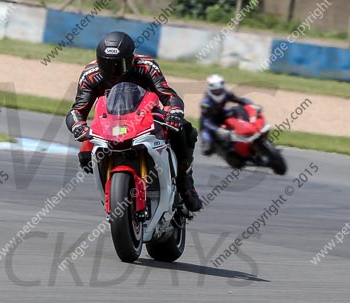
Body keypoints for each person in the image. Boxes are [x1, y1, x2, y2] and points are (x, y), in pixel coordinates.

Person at [65, 31, 203, 212]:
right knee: (85, 155)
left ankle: (185, 181)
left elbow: (168, 96)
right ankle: (111, 195)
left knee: (185, 130)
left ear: (131, 59)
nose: (112, 70)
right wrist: (78, 127)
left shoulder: (146, 66)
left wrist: (174, 112)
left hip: (144, 115)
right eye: (106, 64)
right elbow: (77, 110)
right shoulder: (90, 74)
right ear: (99, 60)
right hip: (109, 121)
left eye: (118, 64)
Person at [200, 74, 257, 156]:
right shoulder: (206, 103)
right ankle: (218, 148)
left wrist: (251, 104)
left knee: (238, 109)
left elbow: (239, 100)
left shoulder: (226, 94)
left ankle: (246, 128)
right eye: (215, 91)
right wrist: (217, 130)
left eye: (219, 90)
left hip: (222, 114)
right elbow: (206, 122)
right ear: (210, 90)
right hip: (210, 122)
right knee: (207, 149)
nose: (218, 92)